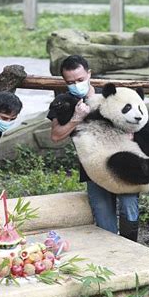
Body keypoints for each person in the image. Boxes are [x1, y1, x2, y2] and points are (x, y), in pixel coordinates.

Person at [47, 55, 140, 242]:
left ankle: (131, 248)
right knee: (104, 220)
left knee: (129, 210)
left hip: (123, 163)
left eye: (80, 80)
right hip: (93, 169)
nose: (76, 84)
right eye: (70, 82)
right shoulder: (63, 102)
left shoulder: (112, 96)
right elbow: (56, 135)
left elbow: (135, 124)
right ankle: (113, 254)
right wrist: (76, 118)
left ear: (89, 74)